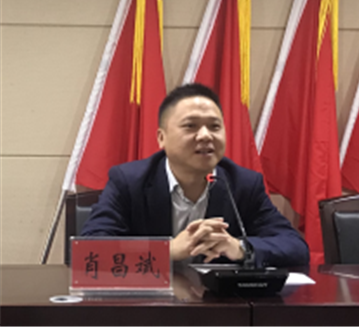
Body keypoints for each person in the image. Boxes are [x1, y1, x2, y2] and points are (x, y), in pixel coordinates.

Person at [81, 83, 310, 268]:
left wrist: (239, 247)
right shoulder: (129, 181)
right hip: (150, 303)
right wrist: (168, 250)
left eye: (215, 127)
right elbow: (89, 249)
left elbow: (295, 247)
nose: (205, 136)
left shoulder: (243, 183)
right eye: (190, 126)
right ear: (161, 138)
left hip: (219, 305)